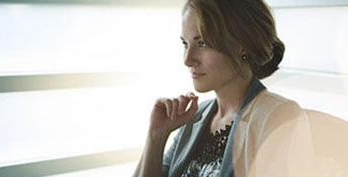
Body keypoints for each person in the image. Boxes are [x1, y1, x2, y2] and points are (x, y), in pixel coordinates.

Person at [133, 0, 314, 176]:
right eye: (185, 44)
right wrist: (156, 135)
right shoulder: (194, 116)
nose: (187, 59)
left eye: (202, 43)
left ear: (241, 45)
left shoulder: (279, 116)